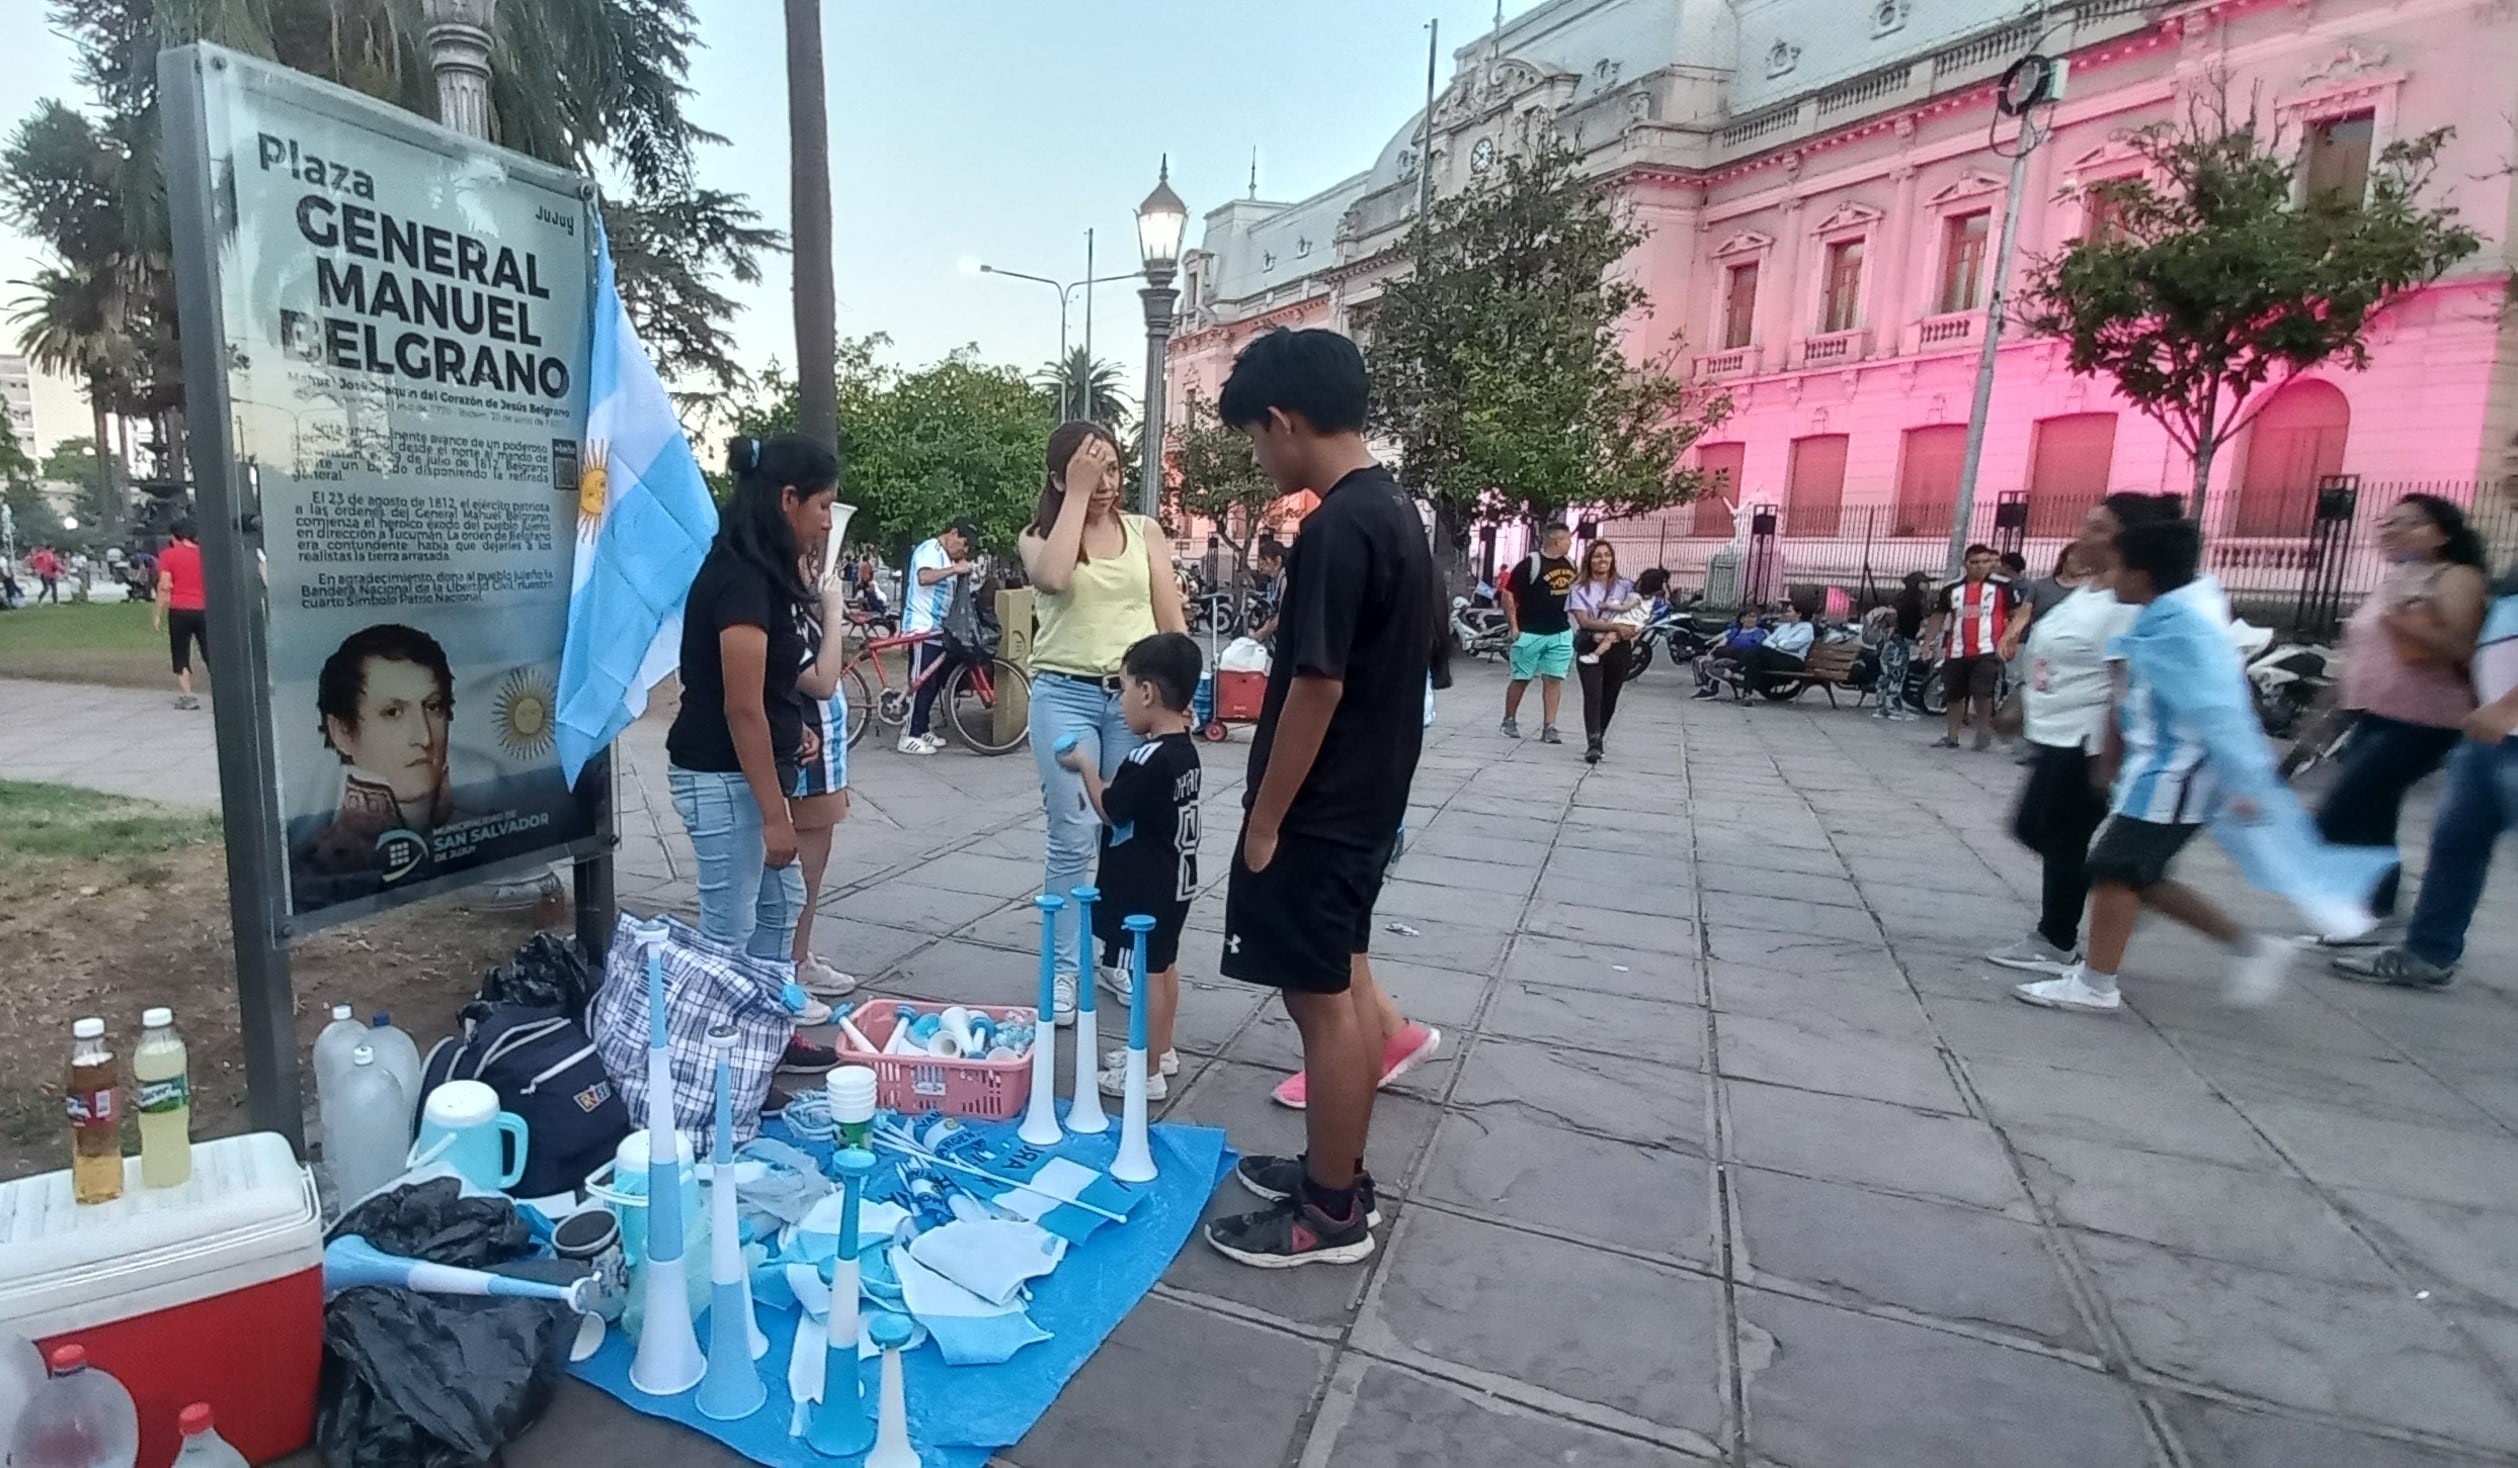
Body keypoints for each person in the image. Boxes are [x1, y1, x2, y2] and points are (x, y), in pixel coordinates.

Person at [1207, 327, 1440, 1267]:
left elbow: (1315, 685)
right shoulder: (1393, 511)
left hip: (1324, 806)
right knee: (1336, 979)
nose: (1262, 459)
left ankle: (1333, 1208)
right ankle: (1328, 1164)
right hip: (1365, 797)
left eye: (1257, 441)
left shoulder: (1339, 526)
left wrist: (1265, 817)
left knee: (1323, 1003)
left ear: (1284, 420)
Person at [2012, 518, 2381, 1015]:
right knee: (2138, 874)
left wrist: (2242, 779)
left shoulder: (2181, 628)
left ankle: (2096, 984)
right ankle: (2249, 946)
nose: (2109, 577)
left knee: (2115, 868)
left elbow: (2219, 708)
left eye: (2118, 567)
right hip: (2159, 768)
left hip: (2178, 772)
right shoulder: (2163, 614)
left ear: (2142, 573)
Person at [665, 433, 839, 1073]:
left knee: (781, 905)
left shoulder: (764, 571)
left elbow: (765, 689)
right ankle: (713, 1062)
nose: (826, 522)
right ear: (788, 499)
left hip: (750, 768)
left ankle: (762, 1038)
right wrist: (774, 814)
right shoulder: (738, 578)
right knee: (729, 930)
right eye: (822, 506)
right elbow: (738, 706)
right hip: (720, 775)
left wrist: (795, 731)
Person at [1020, 421, 1190, 1022]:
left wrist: (1179, 692)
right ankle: (1065, 970)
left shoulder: (1145, 532)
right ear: (1059, 478)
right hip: (1064, 694)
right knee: (1071, 834)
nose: (1106, 484)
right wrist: (1076, 494)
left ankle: (1117, 955)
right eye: (1093, 472)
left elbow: (1169, 617)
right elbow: (1055, 577)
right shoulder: (1038, 537)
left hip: (1133, 698)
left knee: (1126, 834)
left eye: (1114, 470)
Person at [2331, 479, 2518, 989]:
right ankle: (2427, 951)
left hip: (2475, 723)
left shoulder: (2456, 577)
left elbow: (2456, 642)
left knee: (2356, 809)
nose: (2510, 475)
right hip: (2486, 733)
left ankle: (2388, 918)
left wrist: (2507, 705)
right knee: (2457, 844)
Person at [1988, 494, 2184, 978]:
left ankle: (2060, 936)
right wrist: (2020, 703)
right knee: (2035, 828)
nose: (2082, 534)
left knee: (2058, 834)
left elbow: (2123, 680)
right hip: (2053, 728)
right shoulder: (2091, 587)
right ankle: (2122, 887)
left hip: (2087, 737)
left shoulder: (2128, 600)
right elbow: (2054, 652)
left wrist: (2108, 757)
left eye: (2097, 527)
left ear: (2126, 538)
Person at [2311, 493, 2489, 944]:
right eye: (2386, 523)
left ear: (2442, 533)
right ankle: (2374, 915)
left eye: (2407, 523)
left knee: (2339, 812)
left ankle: (2371, 912)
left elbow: (2459, 648)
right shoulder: (2398, 577)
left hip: (2426, 719)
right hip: (2373, 712)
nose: (2391, 532)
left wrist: (2400, 618)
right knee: (2372, 816)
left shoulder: (2456, 577)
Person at [1056, 631, 1204, 1100]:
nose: (1120, 703)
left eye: (1122, 690)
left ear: (1147, 693)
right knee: (1163, 967)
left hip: (1145, 886)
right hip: (1176, 881)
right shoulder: (1186, 752)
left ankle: (1147, 1069)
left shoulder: (1147, 758)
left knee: (1146, 975)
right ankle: (1161, 1051)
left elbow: (1111, 807)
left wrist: (1083, 764)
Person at [790, 547, 861, 1009]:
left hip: (827, 750)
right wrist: (833, 611)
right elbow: (822, 679)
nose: (818, 568)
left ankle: (799, 957)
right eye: (810, 559)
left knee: (815, 863)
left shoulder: (804, 610)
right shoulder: (781, 612)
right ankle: (784, 968)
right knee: (796, 871)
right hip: (802, 753)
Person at [1929, 543, 2025, 751]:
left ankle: (1983, 733)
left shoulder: (2003, 587)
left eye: (1984, 562)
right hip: (1956, 649)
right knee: (1954, 695)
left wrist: (2011, 641)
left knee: (1983, 693)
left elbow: (2017, 615)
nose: (1979, 567)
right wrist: (1928, 642)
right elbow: (1938, 615)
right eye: (1974, 562)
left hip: (1988, 649)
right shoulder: (1952, 589)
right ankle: (1952, 735)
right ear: (1966, 564)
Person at [898, 518, 981, 755]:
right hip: (923, 627)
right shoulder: (930, 550)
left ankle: (922, 728)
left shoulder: (947, 558)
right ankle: (909, 735)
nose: (964, 551)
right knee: (921, 682)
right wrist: (956, 569)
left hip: (939, 629)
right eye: (964, 544)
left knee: (933, 682)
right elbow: (924, 577)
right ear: (953, 533)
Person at [1499, 523, 1577, 743]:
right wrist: (1514, 626)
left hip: (1560, 631)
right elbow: (1508, 594)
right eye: (1567, 540)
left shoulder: (1570, 564)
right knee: (1521, 677)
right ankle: (1509, 719)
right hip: (1531, 631)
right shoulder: (1530, 564)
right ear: (1556, 540)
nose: (1570, 543)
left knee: (1554, 678)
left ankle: (1549, 726)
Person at [1568, 540, 1640, 763]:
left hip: (1619, 647)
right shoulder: (1579, 589)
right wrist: (1617, 627)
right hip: (1589, 644)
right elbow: (1584, 621)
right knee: (1593, 694)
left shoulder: (1626, 586)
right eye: (1597, 556)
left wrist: (1630, 631)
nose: (1602, 560)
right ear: (1589, 560)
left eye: (1606, 555)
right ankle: (1593, 741)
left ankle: (1600, 736)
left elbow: (1639, 613)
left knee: (1610, 695)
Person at [154, 520, 209, 710]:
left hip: (180, 609)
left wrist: (158, 613)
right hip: (204, 609)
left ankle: (188, 696)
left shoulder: (168, 555)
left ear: (174, 536)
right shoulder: (205, 555)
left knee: (180, 652)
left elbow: (165, 586)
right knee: (210, 651)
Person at [1872, 571, 1930, 721]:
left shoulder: (1900, 598)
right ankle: (1895, 708)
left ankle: (1881, 706)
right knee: (1897, 674)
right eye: (1924, 582)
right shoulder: (1914, 602)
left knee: (1886, 674)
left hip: (1891, 640)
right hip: (1903, 640)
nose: (1927, 585)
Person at [1741, 597, 1814, 697]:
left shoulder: (1807, 629)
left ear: (1799, 614)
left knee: (1760, 650)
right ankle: (1747, 693)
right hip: (1776, 657)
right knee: (1754, 659)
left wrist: (1777, 643)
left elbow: (1792, 645)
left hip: (1793, 661)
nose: (1786, 614)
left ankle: (1733, 668)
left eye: (1789, 611)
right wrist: (1779, 643)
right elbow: (1767, 641)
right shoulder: (1784, 627)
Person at [1694, 608, 1767, 701]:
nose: (1750, 619)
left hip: (1743, 658)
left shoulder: (1759, 633)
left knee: (1719, 661)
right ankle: (1706, 688)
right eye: (1747, 616)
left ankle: (1711, 688)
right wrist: (1711, 653)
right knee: (1699, 661)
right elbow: (1722, 643)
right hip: (1726, 654)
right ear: (1742, 619)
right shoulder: (1735, 631)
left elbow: (1758, 648)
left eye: (1753, 617)